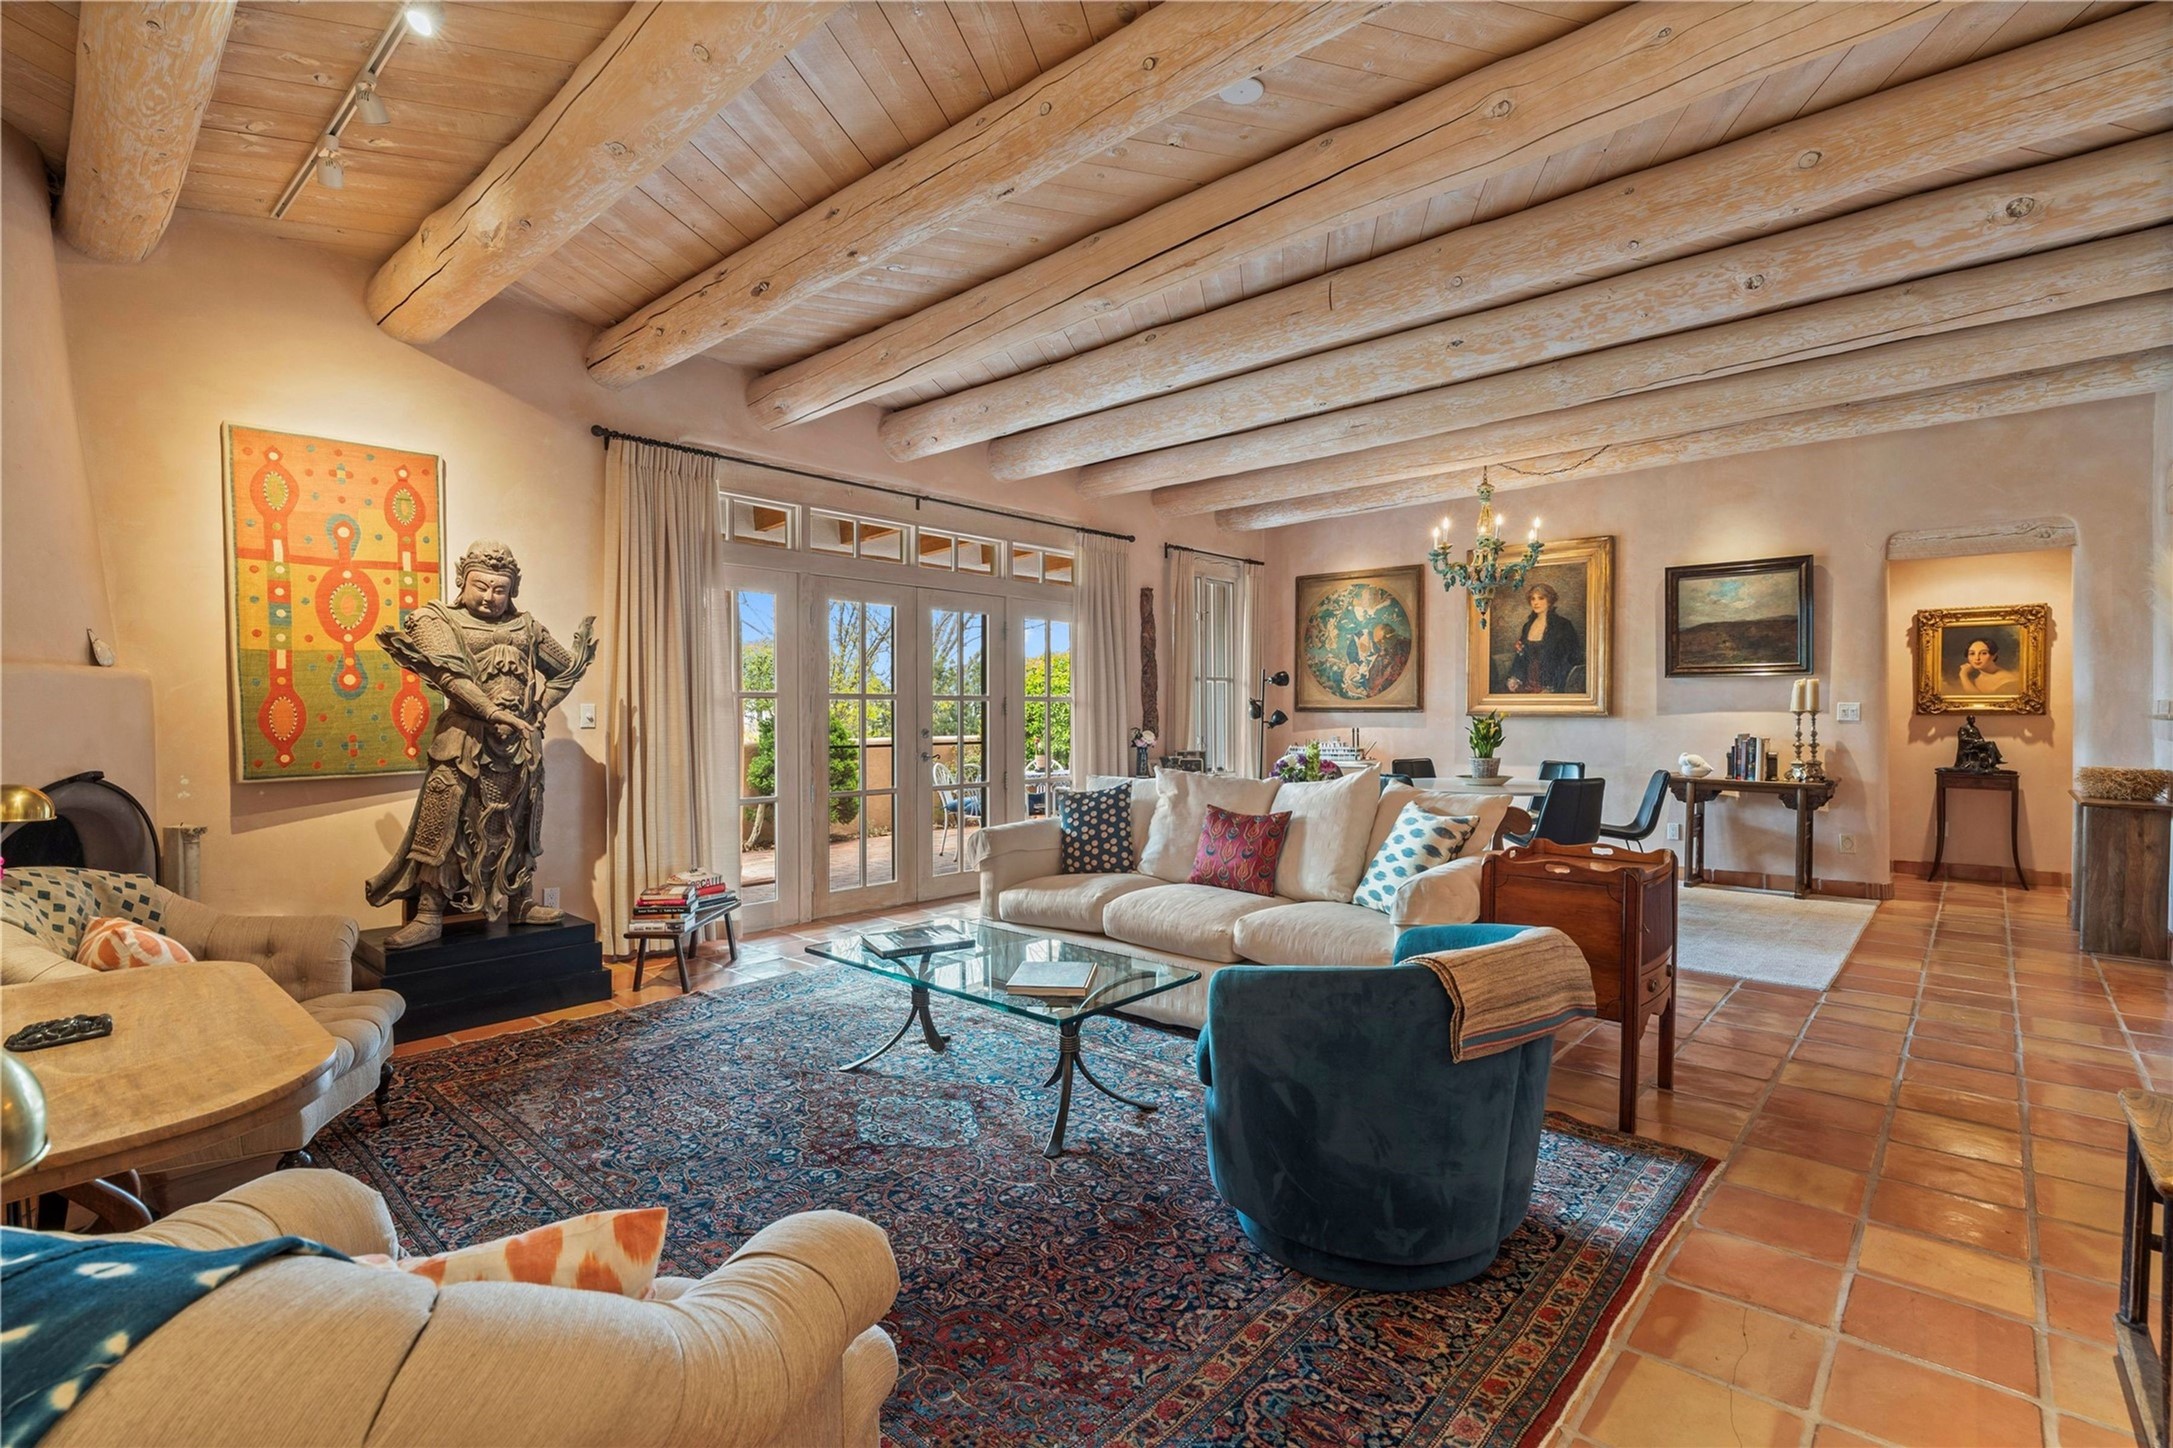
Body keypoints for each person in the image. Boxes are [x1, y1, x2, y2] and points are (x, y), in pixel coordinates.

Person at [365, 541, 596, 948]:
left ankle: (520, 902)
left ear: (513, 589)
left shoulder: (527, 628)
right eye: (481, 586)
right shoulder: (436, 620)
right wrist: (492, 712)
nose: (490, 597)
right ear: (462, 581)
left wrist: (541, 705)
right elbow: (449, 677)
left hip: (519, 746)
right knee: (444, 825)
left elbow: (568, 668)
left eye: (499, 589)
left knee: (521, 823)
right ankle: (429, 913)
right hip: (463, 740)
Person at [1501, 582, 1583, 694]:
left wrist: (1552, 687)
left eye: (1541, 598)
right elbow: (1521, 657)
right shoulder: (1527, 626)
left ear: (1549, 601)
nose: (1536, 602)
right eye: (1533, 599)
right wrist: (1515, 677)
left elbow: (1571, 658)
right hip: (1526, 682)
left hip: (1552, 683)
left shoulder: (1563, 625)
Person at [1955, 636, 2020, 695]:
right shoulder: (1976, 679)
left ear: (1994, 656)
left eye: (1983, 653)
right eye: (1972, 653)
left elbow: (1979, 701)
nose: (1977, 658)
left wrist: (1963, 675)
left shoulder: (2007, 681)